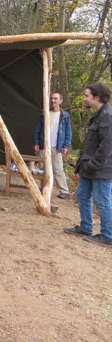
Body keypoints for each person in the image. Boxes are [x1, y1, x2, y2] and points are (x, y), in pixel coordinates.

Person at [64, 83, 112, 247]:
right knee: (83, 195)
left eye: (86, 95)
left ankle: (108, 236)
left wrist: (93, 164)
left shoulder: (107, 115)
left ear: (97, 97)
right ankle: (86, 228)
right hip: (90, 167)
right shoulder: (99, 114)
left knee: (102, 201)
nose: (84, 98)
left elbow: (107, 146)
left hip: (101, 169)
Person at [33, 92, 72, 199]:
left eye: (55, 99)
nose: (53, 100)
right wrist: (37, 143)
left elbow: (68, 132)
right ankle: (43, 189)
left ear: (60, 101)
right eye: (51, 99)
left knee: (58, 169)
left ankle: (64, 191)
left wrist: (66, 145)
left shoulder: (65, 115)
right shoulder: (44, 114)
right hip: (43, 146)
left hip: (57, 146)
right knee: (42, 168)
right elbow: (37, 130)